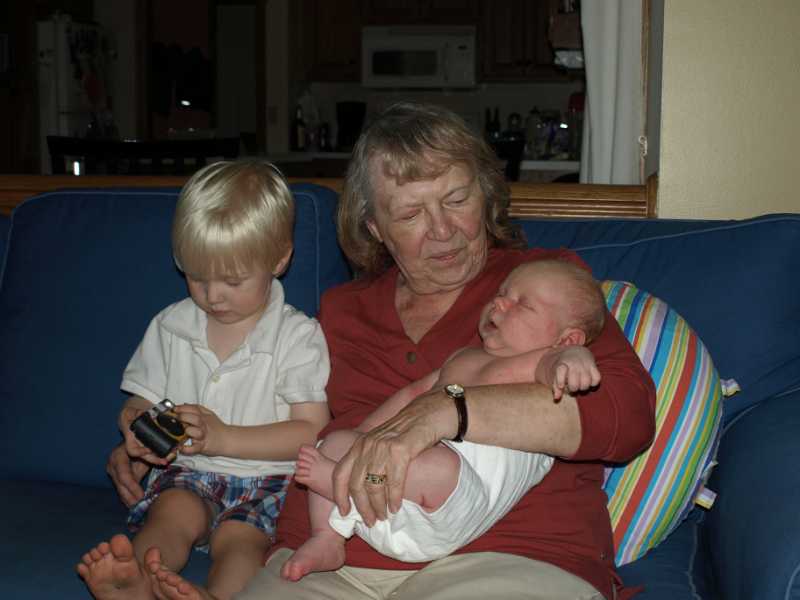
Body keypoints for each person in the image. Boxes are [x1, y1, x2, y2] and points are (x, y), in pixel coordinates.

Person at [104, 102, 656, 600]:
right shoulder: (341, 311)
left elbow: (623, 415)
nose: (442, 230)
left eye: (457, 199)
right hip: (332, 559)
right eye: (411, 215)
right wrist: (155, 439)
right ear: (375, 228)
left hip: (512, 554)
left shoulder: (541, 286)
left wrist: (446, 410)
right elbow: (269, 410)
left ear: (486, 195)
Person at [76, 160, 331, 600]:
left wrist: (223, 438)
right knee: (171, 514)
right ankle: (135, 582)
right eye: (196, 277)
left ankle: (216, 596)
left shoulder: (297, 336)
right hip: (188, 472)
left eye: (232, 280)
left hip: (268, 481)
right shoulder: (171, 326)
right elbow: (139, 401)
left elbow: (312, 431)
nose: (213, 296)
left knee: (241, 541)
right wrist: (135, 428)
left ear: (279, 259)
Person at [281, 258, 606, 580]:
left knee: (440, 466)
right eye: (501, 293)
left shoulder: (539, 362)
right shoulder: (463, 358)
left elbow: (557, 366)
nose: (500, 303)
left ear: (566, 339)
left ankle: (337, 479)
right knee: (336, 441)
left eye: (522, 304)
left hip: (451, 507)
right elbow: (412, 395)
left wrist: (574, 360)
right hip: (392, 499)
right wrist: (365, 436)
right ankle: (328, 537)